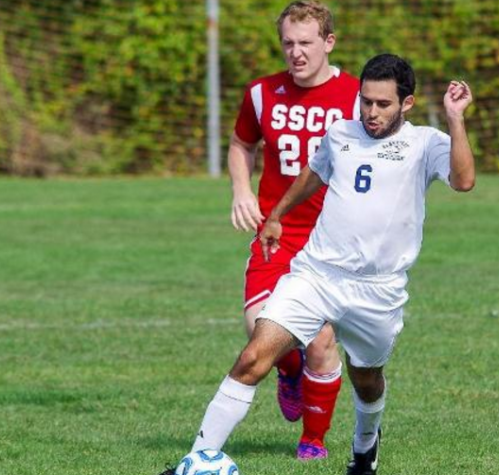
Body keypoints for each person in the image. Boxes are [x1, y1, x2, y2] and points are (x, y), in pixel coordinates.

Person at [174, 53, 475, 475]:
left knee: (366, 380)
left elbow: (463, 181)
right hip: (317, 275)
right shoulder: (340, 134)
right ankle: (195, 460)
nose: (371, 112)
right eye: (366, 101)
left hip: (379, 290)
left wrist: (455, 119)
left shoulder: (426, 142)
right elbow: (314, 173)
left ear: (406, 104)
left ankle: (366, 446)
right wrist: (276, 215)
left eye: (383, 104)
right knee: (252, 358)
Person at [226, 0, 360, 460]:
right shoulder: (262, 93)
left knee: (321, 340)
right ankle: (288, 369)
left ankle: (313, 441)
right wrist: (242, 191)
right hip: (275, 236)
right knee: (259, 330)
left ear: (329, 42)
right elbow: (242, 143)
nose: (296, 53)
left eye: (306, 43)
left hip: (332, 244)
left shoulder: (358, 97)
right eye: (288, 43)